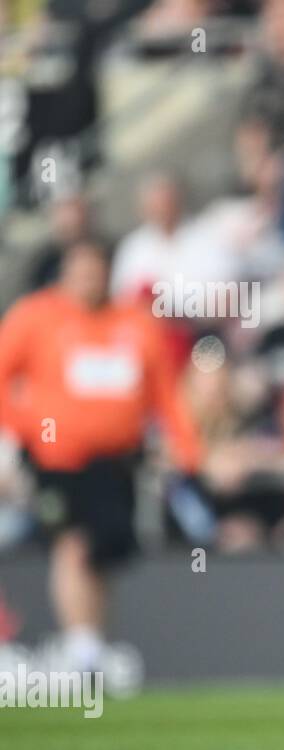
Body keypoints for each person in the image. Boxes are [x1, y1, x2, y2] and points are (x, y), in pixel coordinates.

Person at [0, 240, 207, 680]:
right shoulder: (37, 316)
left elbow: (165, 394)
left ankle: (91, 644)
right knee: (72, 543)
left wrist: (186, 447)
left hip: (116, 461)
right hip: (57, 458)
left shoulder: (135, 323)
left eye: (96, 270)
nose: (89, 279)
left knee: (103, 551)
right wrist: (25, 426)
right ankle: (81, 645)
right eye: (80, 270)